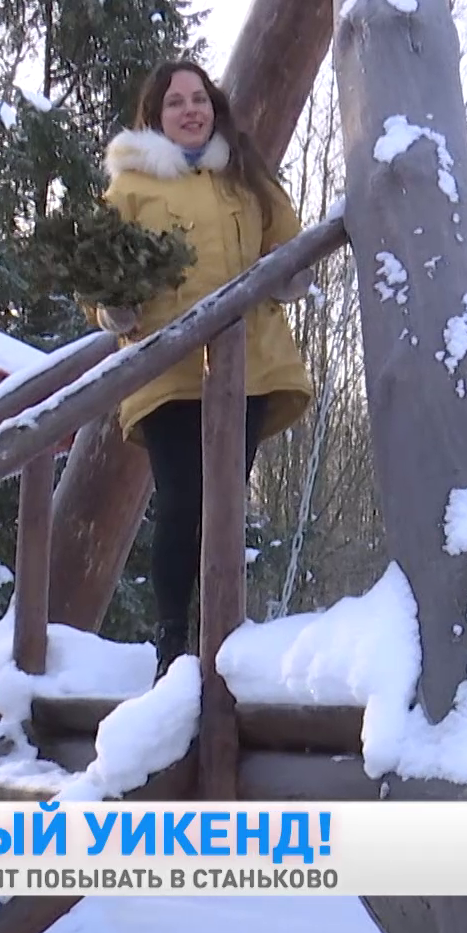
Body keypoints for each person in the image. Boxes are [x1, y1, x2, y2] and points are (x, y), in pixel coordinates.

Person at [94, 60, 315, 680]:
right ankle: (171, 639)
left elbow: (289, 239)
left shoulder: (243, 175)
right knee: (181, 499)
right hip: (168, 367)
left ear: (213, 107)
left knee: (224, 504)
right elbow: (100, 271)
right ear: (154, 117)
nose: (190, 110)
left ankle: (222, 636)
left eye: (199, 99)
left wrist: (292, 272)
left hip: (246, 367)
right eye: (175, 103)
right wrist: (115, 305)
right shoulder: (131, 187)